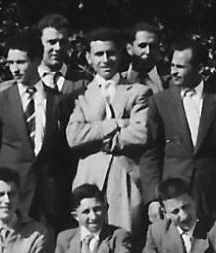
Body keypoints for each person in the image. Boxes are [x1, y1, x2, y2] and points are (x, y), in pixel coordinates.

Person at [139, 37, 216, 227]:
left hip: (213, 195)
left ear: (199, 68)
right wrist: (153, 199)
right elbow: (150, 154)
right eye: (172, 65)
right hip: (173, 196)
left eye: (181, 67)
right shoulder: (160, 102)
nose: (174, 71)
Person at [66, 28, 153, 239]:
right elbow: (74, 136)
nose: (105, 60)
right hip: (89, 178)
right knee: (90, 239)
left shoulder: (138, 91)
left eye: (110, 53)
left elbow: (141, 133)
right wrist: (116, 123)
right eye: (98, 54)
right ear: (88, 58)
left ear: (120, 54)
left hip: (123, 178)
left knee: (125, 240)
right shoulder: (82, 95)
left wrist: (102, 140)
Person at [0, 34, 73, 227]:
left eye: (20, 62)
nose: (14, 69)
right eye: (10, 63)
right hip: (15, 192)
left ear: (36, 61)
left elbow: (64, 150)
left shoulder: (59, 100)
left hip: (49, 193)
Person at [36, 13, 90, 98]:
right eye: (52, 42)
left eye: (63, 42)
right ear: (39, 43)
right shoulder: (28, 81)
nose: (58, 48)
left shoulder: (84, 82)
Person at [123, 22, 166, 93]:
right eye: (142, 46)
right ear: (129, 49)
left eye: (152, 46)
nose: (148, 51)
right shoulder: (118, 81)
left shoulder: (167, 81)